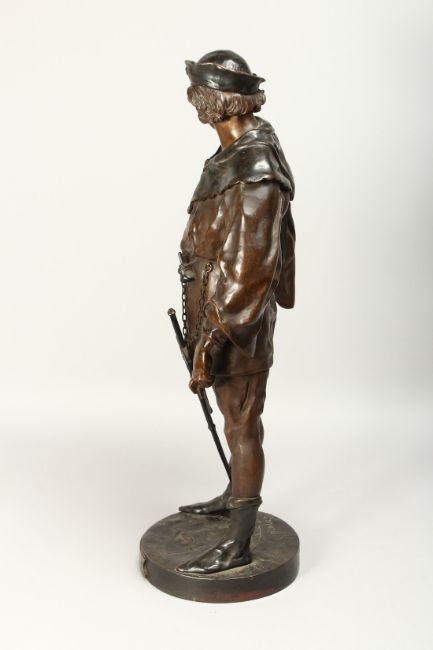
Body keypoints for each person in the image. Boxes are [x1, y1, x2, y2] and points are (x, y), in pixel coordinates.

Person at [176, 50, 296, 574]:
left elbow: (250, 271)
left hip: (235, 322)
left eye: (200, 92)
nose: (193, 101)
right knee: (232, 419)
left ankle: (239, 543)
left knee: (242, 424)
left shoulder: (255, 168)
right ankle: (234, 495)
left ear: (222, 100)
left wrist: (213, 337)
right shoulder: (230, 155)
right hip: (214, 308)